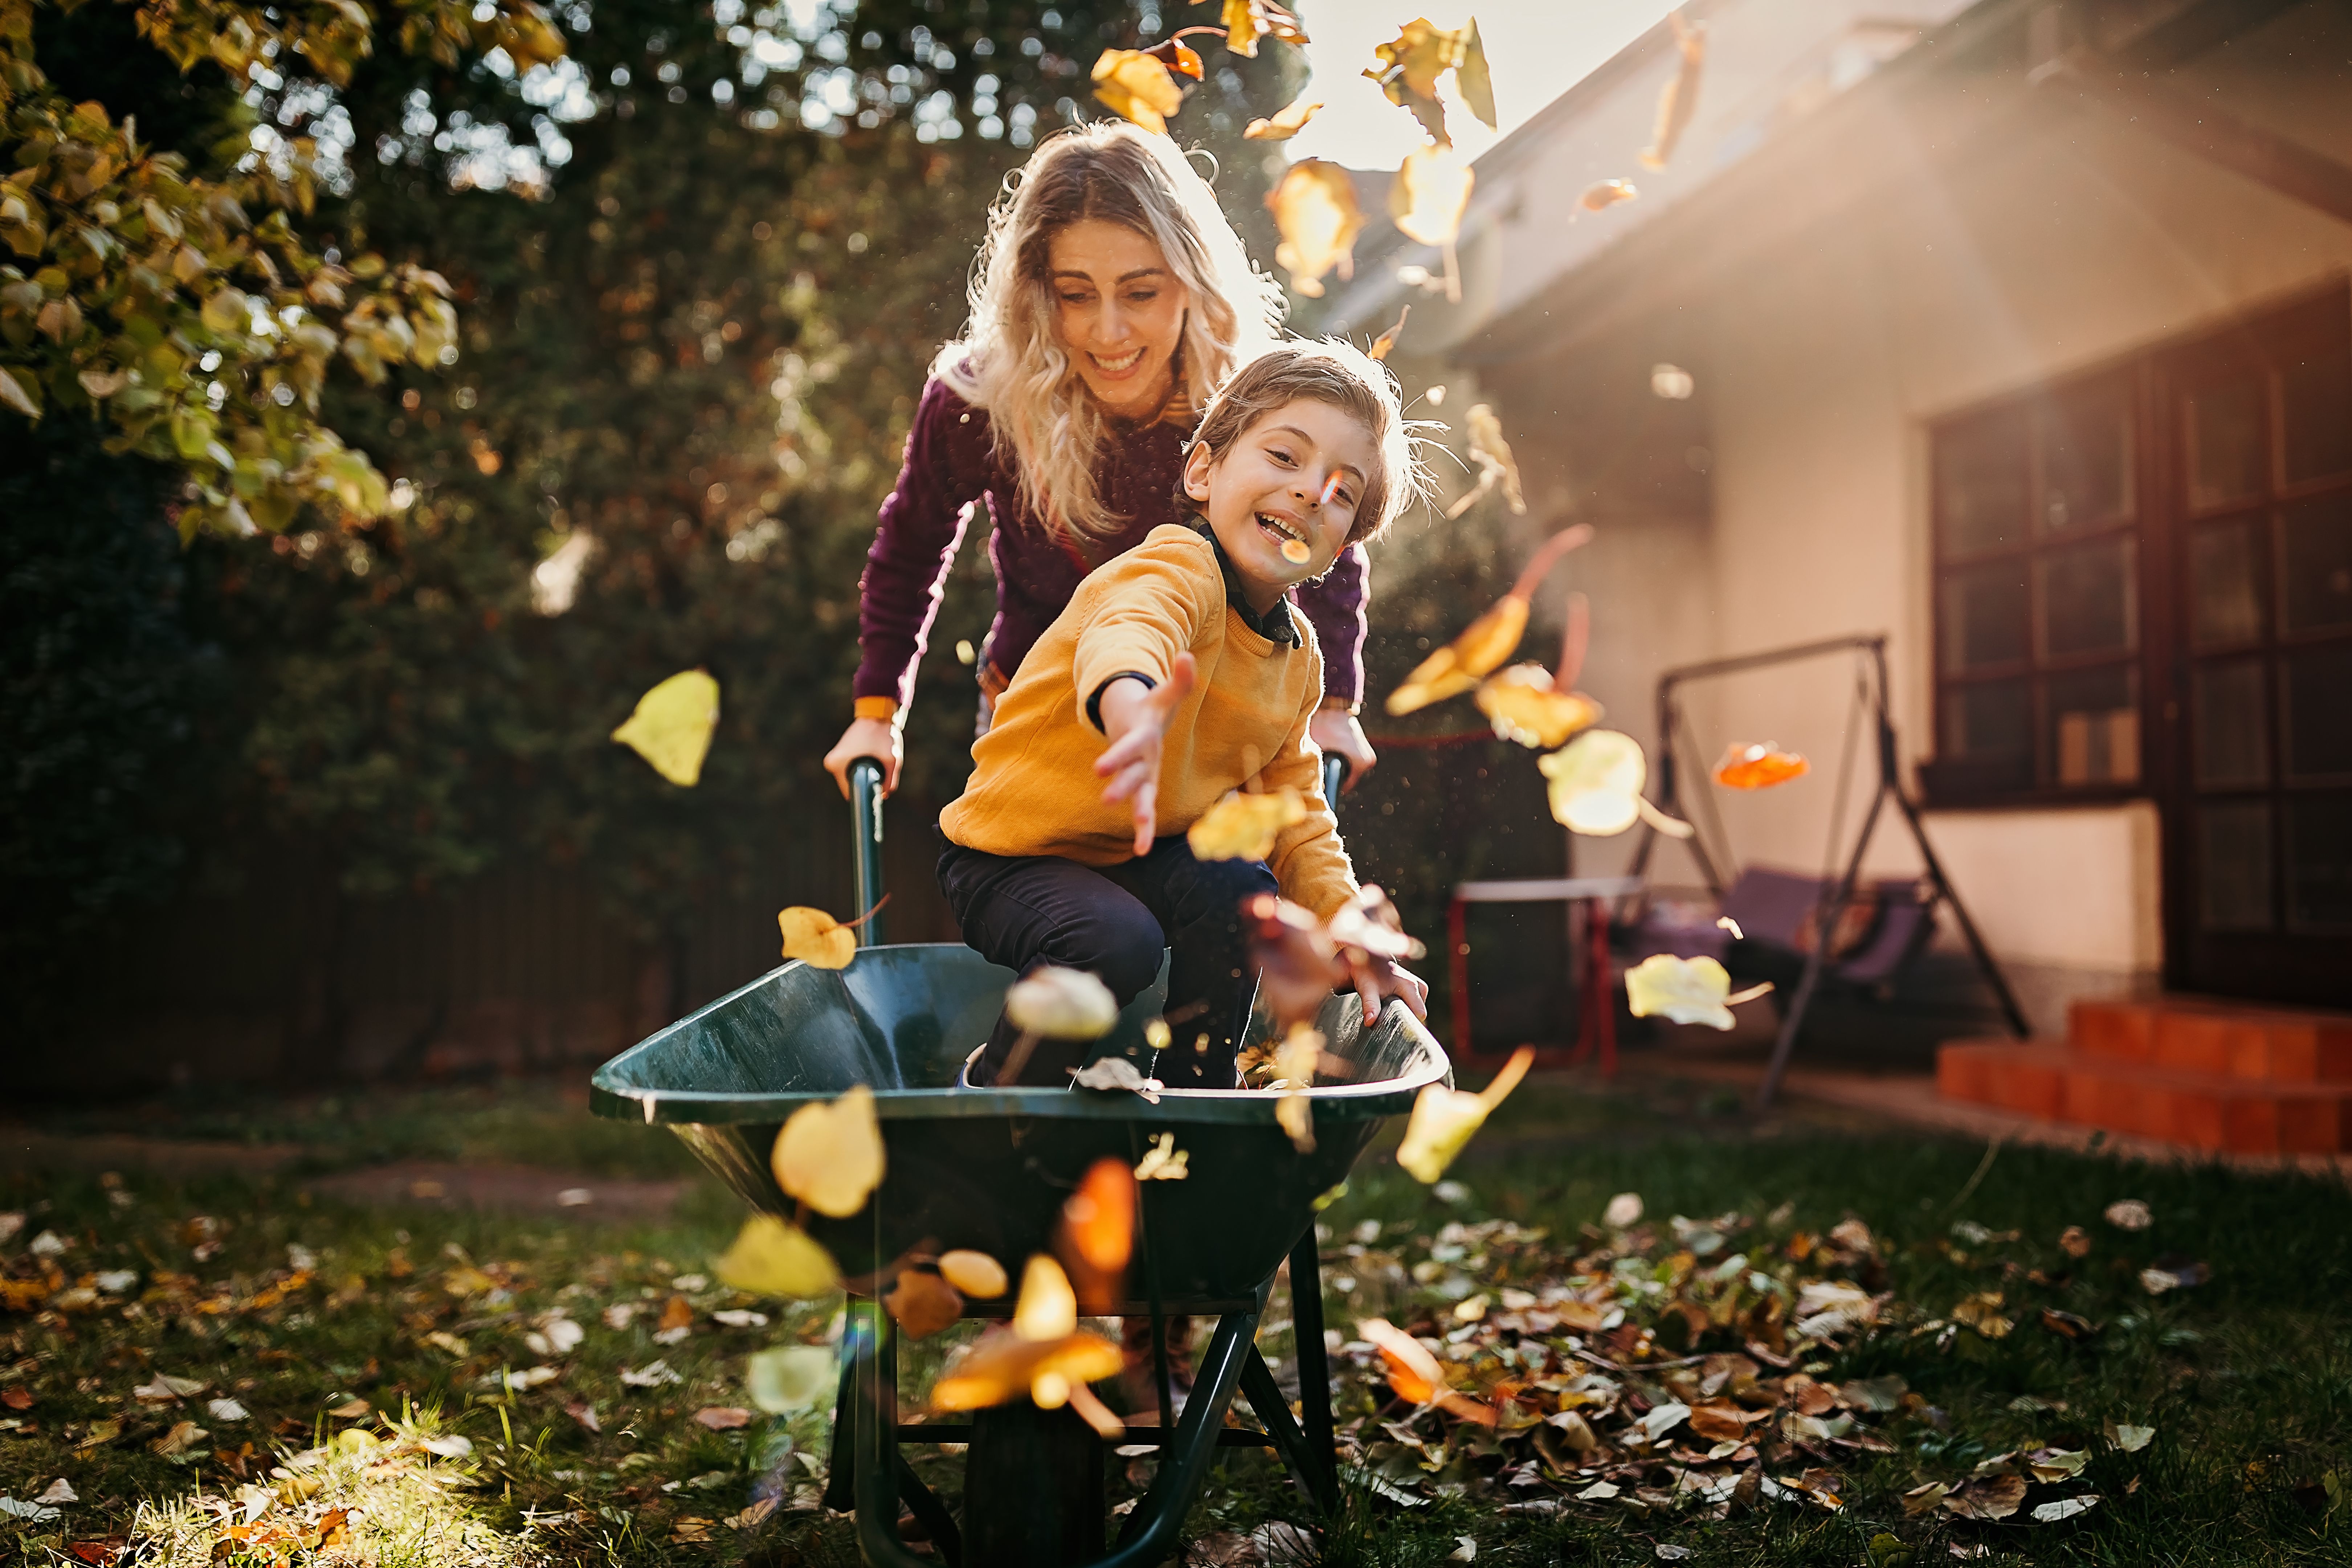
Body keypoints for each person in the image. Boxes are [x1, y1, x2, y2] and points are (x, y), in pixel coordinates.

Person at [821, 120, 1380, 806]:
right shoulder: (982, 403)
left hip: (1209, 717)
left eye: (1141, 292)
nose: (1108, 331)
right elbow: (910, 550)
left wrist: (1336, 707)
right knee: (1052, 915)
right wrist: (877, 713)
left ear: (1191, 282)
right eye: (1076, 295)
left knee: (1217, 910)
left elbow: (1319, 528)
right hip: (1036, 714)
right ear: (1037, 293)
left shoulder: (1248, 405)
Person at [935, 342, 1431, 1095]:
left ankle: (1198, 1094)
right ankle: (1000, 1086)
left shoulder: (1297, 662)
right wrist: (1132, 707)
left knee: (1240, 889)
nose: (1306, 492)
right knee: (1114, 942)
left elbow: (1297, 816)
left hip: (1136, 858)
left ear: (1338, 550)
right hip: (1012, 856)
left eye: (1339, 492)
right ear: (1204, 473)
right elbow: (1131, 629)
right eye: (1284, 457)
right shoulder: (1174, 567)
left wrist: (1349, 932)